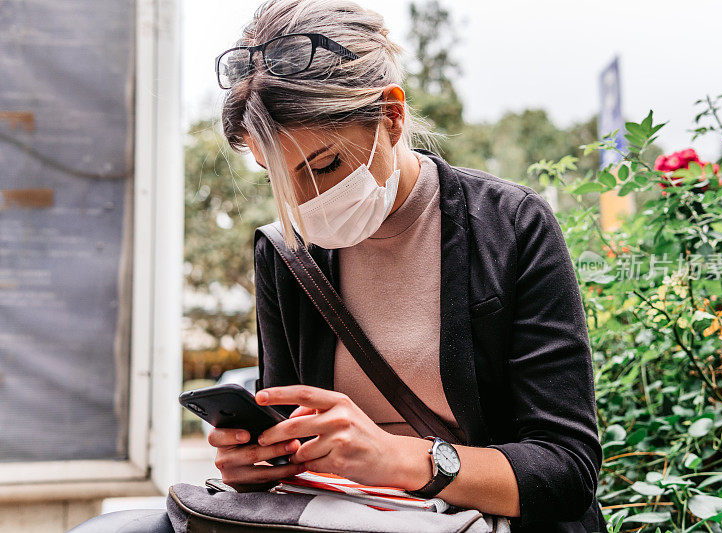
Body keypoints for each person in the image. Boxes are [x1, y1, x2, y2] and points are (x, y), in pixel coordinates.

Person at [71, 1, 605, 531]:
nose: (302, 203)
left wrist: (399, 458)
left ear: (391, 116)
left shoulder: (511, 227)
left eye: (324, 165)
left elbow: (567, 472)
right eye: (276, 177)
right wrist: (262, 461)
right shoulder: (284, 254)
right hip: (336, 518)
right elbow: (291, 434)